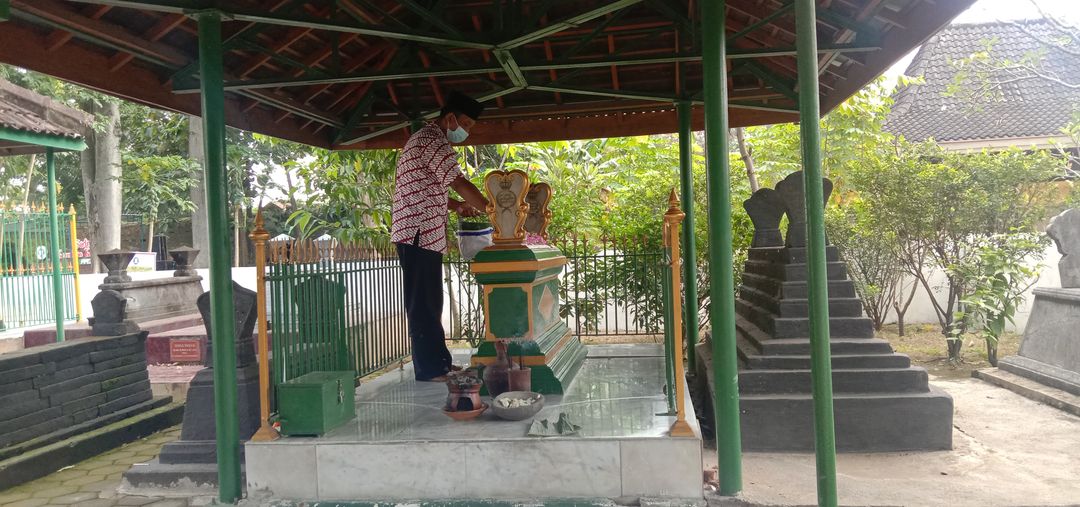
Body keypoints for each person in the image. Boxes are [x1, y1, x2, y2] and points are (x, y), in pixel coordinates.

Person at [391, 91, 490, 382]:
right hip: (417, 233)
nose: (467, 131)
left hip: (424, 234)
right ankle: (430, 368)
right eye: (466, 124)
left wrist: (458, 206)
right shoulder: (433, 142)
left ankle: (440, 364)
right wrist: (492, 209)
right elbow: (458, 181)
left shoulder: (425, 141)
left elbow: (429, 188)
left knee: (431, 302)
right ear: (450, 118)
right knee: (423, 303)